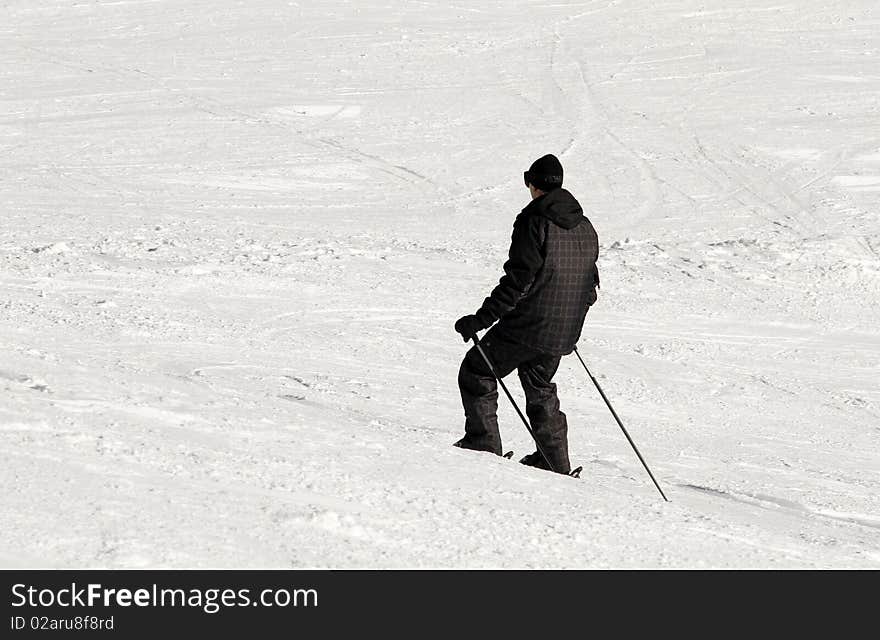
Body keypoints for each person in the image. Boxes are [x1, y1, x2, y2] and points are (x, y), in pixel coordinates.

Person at [453, 154, 600, 475]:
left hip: (529, 324)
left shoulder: (534, 220)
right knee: (540, 385)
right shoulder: (586, 226)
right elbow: (589, 286)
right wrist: (569, 325)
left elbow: (518, 281)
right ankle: (554, 462)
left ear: (532, 184)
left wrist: (479, 320)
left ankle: (483, 442)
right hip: (563, 329)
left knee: (477, 370)